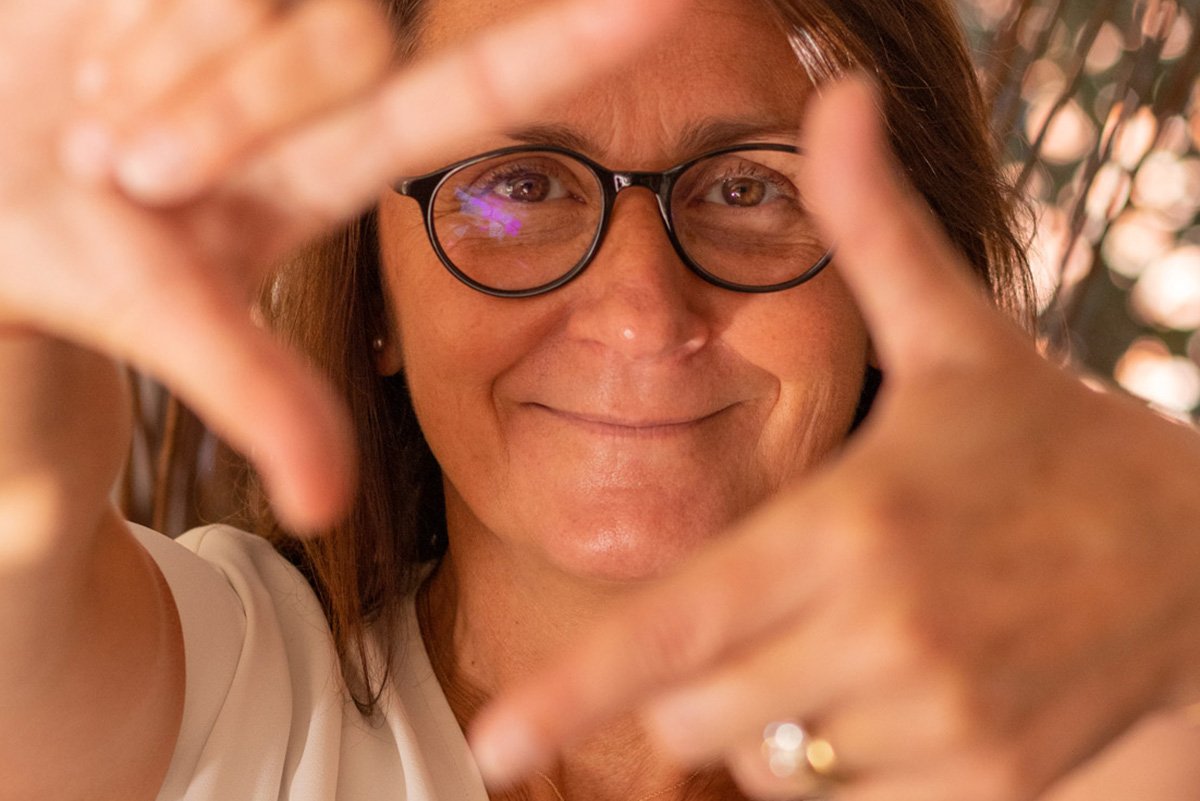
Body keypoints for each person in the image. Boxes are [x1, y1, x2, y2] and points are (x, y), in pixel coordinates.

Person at [2, 1, 1199, 800]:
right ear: (376, 297)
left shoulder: (1079, 720)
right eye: (518, 188)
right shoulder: (217, 694)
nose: (640, 310)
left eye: (747, 188)